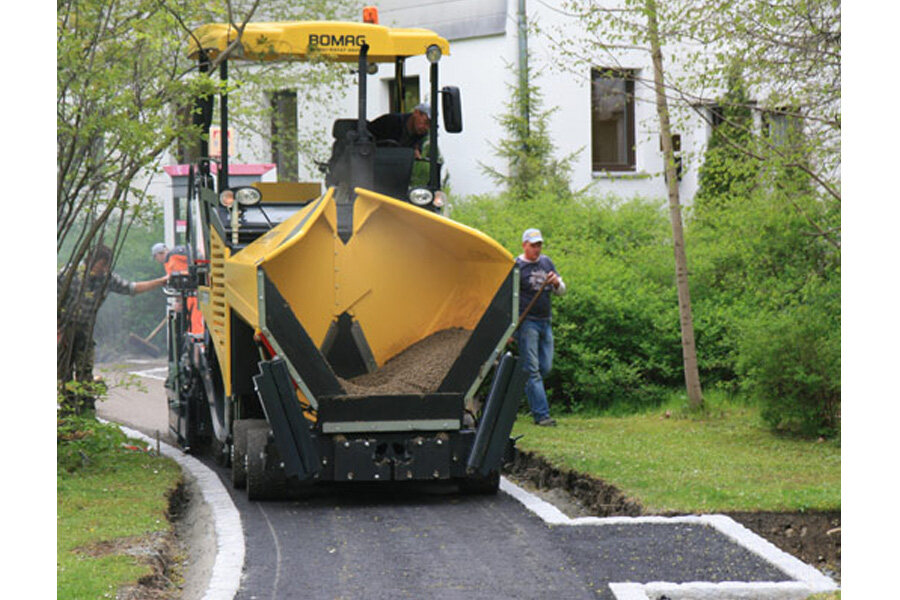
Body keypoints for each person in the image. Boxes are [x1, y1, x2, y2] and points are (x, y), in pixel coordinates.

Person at [57, 244, 169, 410]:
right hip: (64, 327)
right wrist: (57, 330)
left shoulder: (106, 278)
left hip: (85, 329)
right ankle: (67, 409)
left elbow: (132, 288)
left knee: (85, 370)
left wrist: (161, 281)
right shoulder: (68, 274)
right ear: (91, 261)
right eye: (102, 264)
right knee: (63, 371)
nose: (105, 268)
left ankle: (86, 407)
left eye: (107, 265)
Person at [515, 228, 567, 426]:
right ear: (524, 245)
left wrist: (555, 283)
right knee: (533, 371)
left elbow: (562, 291)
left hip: (546, 321)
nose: (537, 249)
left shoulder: (546, 262)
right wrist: (511, 330)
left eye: (539, 245)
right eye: (533, 245)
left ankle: (518, 395)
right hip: (527, 323)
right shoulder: (516, 266)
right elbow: (507, 298)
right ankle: (542, 415)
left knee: (544, 367)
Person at [152, 243, 204, 335]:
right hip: (187, 294)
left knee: (195, 320)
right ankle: (193, 342)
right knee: (190, 321)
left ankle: (198, 343)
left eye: (156, 258)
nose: (157, 260)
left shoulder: (176, 253)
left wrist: (196, 273)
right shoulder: (167, 264)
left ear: (159, 254)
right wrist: (178, 301)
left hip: (196, 290)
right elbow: (176, 284)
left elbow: (198, 256)